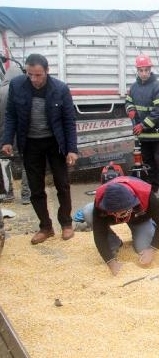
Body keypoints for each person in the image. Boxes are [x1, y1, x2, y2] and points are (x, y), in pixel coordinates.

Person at [1, 53, 78, 244]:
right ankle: (45, 227)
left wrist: (72, 149)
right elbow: (10, 115)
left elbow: (69, 121)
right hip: (30, 144)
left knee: (63, 185)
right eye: (30, 74)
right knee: (36, 188)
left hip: (55, 143)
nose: (34, 79)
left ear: (46, 71)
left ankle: (66, 224)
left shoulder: (60, 89)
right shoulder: (17, 85)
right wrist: (7, 140)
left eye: (38, 75)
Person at [126, 54, 159, 201]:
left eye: (146, 70)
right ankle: (153, 189)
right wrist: (130, 109)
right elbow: (128, 101)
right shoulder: (134, 88)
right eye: (141, 70)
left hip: (158, 134)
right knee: (147, 163)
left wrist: (143, 125)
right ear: (137, 71)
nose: (144, 73)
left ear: (150, 70)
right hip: (143, 135)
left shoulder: (158, 87)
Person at [92, 176, 159, 276]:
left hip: (139, 218)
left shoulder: (145, 194)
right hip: (120, 214)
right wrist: (111, 262)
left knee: (143, 248)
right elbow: (98, 233)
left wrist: (152, 249)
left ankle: (151, 225)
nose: (119, 216)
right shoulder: (101, 201)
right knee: (88, 212)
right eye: (115, 212)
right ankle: (114, 242)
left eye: (123, 213)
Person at [0, 63, 30, 205]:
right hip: (22, 136)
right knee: (27, 164)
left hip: (3, 136)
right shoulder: (23, 90)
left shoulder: (0, 90)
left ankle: (8, 193)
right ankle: (26, 195)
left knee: (4, 163)